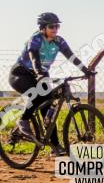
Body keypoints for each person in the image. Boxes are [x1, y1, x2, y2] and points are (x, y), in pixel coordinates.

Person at [8, 12, 94, 154]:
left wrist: (86, 71)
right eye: (51, 26)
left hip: (41, 75)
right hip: (21, 74)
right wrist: (40, 74)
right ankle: (23, 121)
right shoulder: (35, 39)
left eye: (57, 26)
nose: (55, 29)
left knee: (48, 108)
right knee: (37, 95)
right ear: (43, 28)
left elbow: (71, 57)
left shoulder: (59, 41)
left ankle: (55, 146)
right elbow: (34, 58)